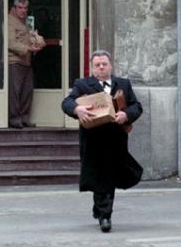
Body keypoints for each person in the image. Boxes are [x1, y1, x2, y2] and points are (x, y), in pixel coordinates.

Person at [61, 50, 143, 233]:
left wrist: (126, 114)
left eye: (104, 64)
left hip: (116, 139)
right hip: (93, 140)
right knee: (99, 176)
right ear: (92, 67)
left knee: (110, 176)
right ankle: (105, 216)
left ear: (110, 65)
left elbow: (136, 106)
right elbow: (66, 102)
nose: (101, 67)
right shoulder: (82, 84)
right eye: (97, 65)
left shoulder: (123, 84)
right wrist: (77, 110)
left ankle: (101, 209)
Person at [8, 0, 45, 128]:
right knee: (15, 92)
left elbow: (31, 38)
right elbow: (10, 43)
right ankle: (15, 119)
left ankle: (24, 118)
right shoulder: (9, 21)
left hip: (26, 61)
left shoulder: (25, 22)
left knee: (27, 91)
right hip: (14, 62)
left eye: (25, 8)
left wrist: (37, 40)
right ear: (14, 8)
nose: (23, 11)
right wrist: (29, 48)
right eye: (20, 8)